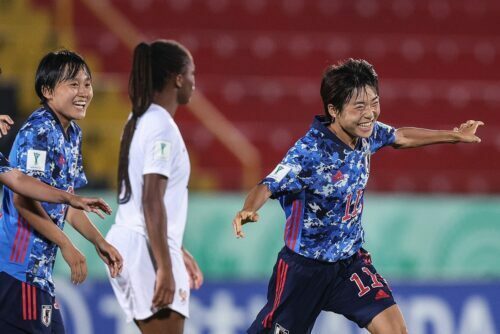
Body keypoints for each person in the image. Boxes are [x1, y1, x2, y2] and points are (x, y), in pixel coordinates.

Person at [232, 58, 483, 334]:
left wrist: (454, 136)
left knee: (395, 330)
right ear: (334, 110)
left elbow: (400, 136)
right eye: (359, 106)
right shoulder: (309, 152)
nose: (370, 114)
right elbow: (267, 185)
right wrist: (248, 209)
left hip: (350, 264)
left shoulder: (367, 134)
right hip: (303, 270)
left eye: (374, 102)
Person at [0, 50, 123, 334]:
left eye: (87, 83)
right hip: (19, 268)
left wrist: (98, 241)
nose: (84, 92)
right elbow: (24, 199)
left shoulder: (72, 133)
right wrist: (67, 246)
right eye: (73, 84)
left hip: (38, 275)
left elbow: (62, 203)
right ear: (47, 91)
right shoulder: (38, 131)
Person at [106, 39, 203, 334]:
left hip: (135, 240)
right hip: (145, 248)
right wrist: (164, 265)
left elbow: (145, 198)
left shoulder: (138, 119)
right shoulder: (161, 127)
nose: (193, 83)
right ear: (177, 78)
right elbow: (151, 200)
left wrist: (178, 247)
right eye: (191, 74)